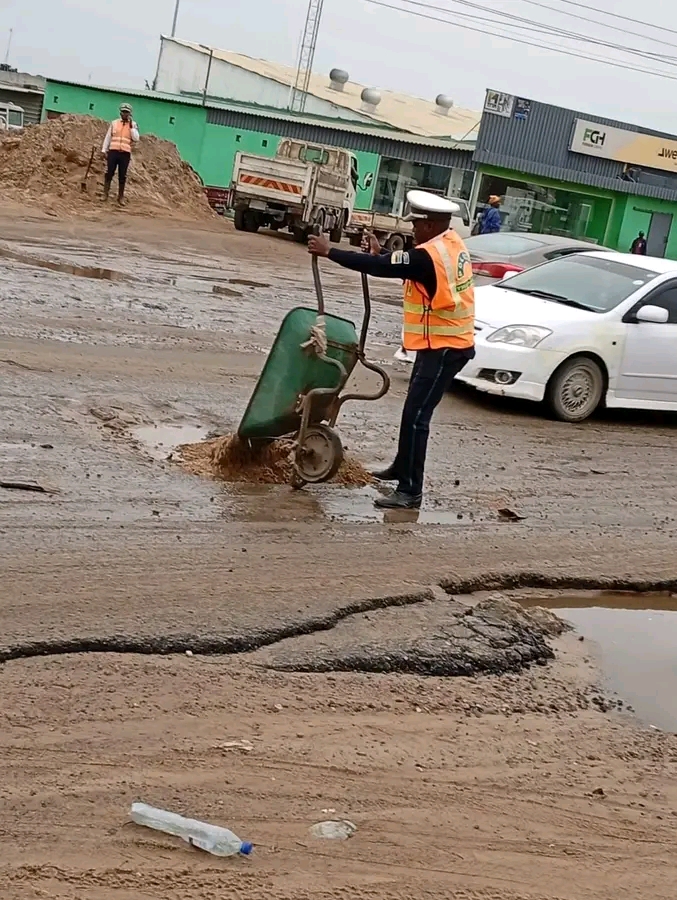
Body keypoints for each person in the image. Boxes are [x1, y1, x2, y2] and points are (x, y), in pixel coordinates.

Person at [308, 189, 475, 510]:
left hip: (444, 348)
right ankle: (401, 468)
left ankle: (411, 491)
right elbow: (402, 264)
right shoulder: (448, 245)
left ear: (430, 225)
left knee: (417, 417)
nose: (413, 229)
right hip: (442, 345)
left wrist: (330, 252)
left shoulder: (427, 255)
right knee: (412, 412)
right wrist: (380, 251)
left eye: (417, 224)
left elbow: (388, 267)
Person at [102, 103, 139, 205]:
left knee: (122, 175)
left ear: (130, 114)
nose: (125, 114)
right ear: (120, 112)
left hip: (125, 154)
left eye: (127, 112)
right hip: (113, 152)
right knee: (109, 172)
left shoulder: (133, 125)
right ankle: (105, 194)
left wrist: (131, 127)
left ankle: (120, 197)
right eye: (123, 112)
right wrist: (104, 150)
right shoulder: (114, 123)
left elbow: (136, 138)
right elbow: (108, 137)